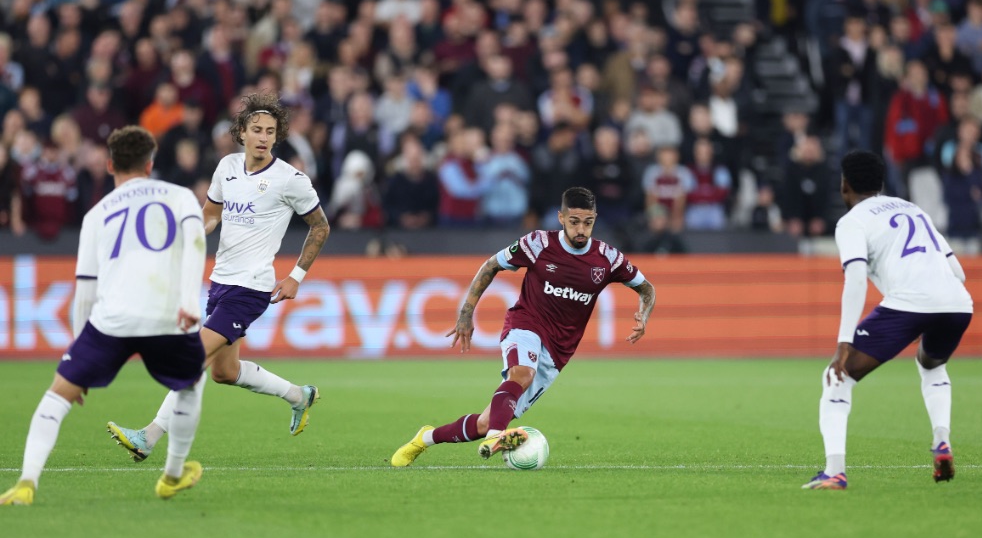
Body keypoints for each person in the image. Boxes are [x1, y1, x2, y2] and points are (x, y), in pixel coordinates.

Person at [106, 92, 331, 464]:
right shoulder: (227, 167)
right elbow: (210, 214)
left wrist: (295, 277)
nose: (263, 137)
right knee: (224, 372)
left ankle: (148, 436)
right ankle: (298, 395)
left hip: (252, 286)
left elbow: (320, 226)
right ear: (241, 132)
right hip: (222, 282)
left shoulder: (290, 179)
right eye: (256, 129)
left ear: (278, 137)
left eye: (270, 131)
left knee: (191, 356)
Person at [1, 126, 208, 505]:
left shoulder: (97, 214)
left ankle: (26, 483)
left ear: (110, 164)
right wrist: (190, 301)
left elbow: (85, 287)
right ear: (150, 163)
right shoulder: (179, 197)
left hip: (112, 319)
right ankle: (172, 475)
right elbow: (196, 244)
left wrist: (79, 353)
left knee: (58, 394)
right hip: (166, 317)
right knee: (191, 383)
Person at [390, 187, 656, 466]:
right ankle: (496, 436)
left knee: (485, 421)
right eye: (574, 221)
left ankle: (425, 438)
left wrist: (644, 313)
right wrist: (466, 313)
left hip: (558, 352)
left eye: (587, 223)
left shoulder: (607, 258)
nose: (581, 229)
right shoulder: (539, 244)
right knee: (521, 374)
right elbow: (491, 265)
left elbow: (646, 288)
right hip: (525, 324)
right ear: (561, 218)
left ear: (595, 219)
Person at [803, 150, 973, 490]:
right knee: (931, 365)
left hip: (909, 303)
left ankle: (834, 471)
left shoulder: (852, 222)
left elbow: (855, 280)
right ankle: (941, 440)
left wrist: (844, 344)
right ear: (881, 183)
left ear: (844, 185)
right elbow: (958, 271)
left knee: (837, 377)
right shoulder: (912, 208)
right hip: (957, 302)